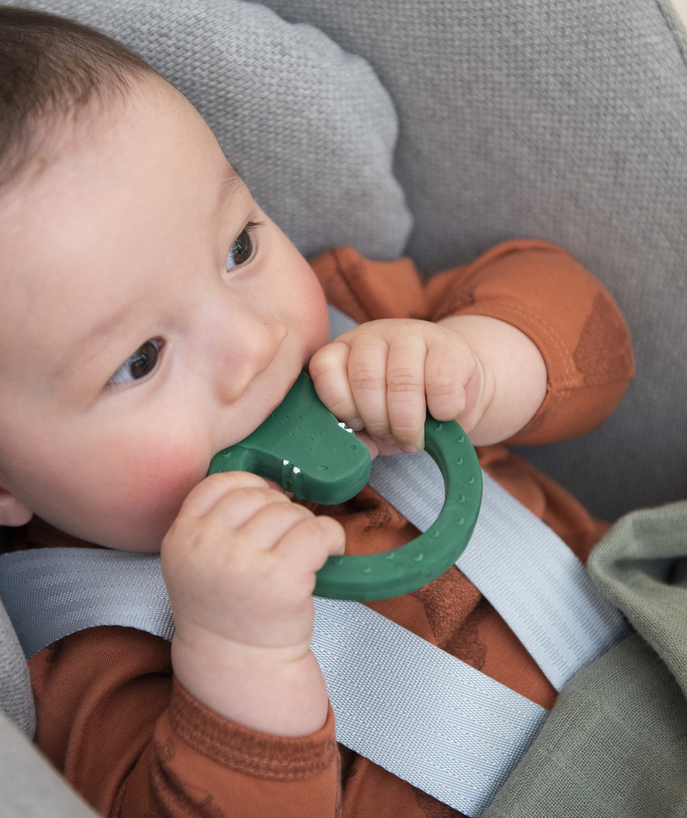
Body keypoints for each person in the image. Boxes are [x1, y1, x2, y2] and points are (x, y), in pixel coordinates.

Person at [0, 8, 634, 818]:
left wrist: (480, 363)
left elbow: (600, 339)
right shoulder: (86, 652)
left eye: (238, 249)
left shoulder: (360, 328)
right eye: (140, 360)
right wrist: (237, 657)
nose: (255, 342)